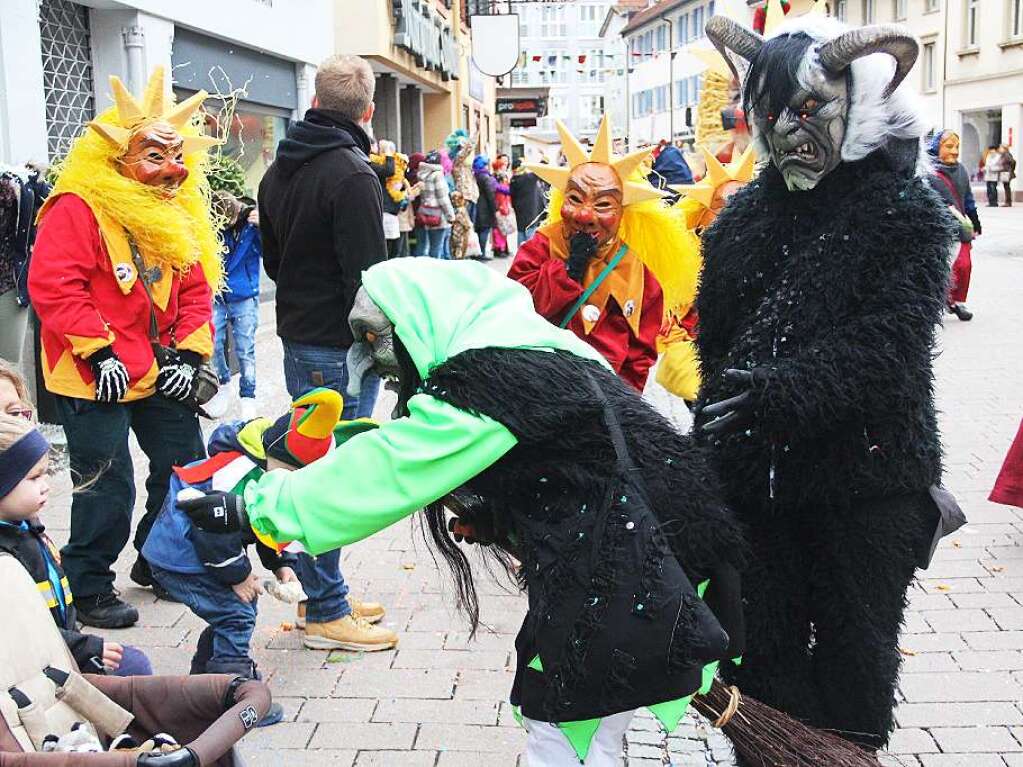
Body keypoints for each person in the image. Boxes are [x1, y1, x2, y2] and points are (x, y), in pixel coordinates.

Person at [177, 257, 745, 767]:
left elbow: (393, 465)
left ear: (419, 320)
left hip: (629, 561)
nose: (371, 361)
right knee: (588, 721)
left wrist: (258, 507)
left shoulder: (491, 378)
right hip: (643, 547)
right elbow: (564, 462)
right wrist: (498, 517)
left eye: (374, 338)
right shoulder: (539, 353)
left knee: (563, 723)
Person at [701, 15, 958, 757]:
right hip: (756, 489)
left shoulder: (905, 214)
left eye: (808, 109)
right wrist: (699, 467)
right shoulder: (741, 219)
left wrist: (785, 388)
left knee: (857, 653)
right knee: (761, 652)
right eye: (770, 111)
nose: (786, 131)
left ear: (858, 106)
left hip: (868, 485)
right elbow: (716, 355)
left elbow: (892, 346)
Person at [28, 67, 220, 628]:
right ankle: (87, 586)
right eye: (155, 156)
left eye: (176, 156)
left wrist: (187, 357)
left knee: (186, 466)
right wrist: (97, 350)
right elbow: (54, 286)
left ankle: (158, 559)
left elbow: (194, 290)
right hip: (95, 372)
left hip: (158, 368)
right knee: (106, 483)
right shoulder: (76, 208)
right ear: (117, 158)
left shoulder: (175, 212)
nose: (172, 169)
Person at [257, 53, 392, 648]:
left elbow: (272, 261)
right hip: (342, 343)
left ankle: (323, 589)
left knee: (310, 462)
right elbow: (368, 281)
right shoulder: (352, 174)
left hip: (300, 333)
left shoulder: (278, 168)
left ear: (314, 102)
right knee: (331, 476)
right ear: (366, 110)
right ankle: (326, 612)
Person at [508, 116, 671, 393]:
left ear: (622, 211)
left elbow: (640, 354)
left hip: (604, 401)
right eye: (575, 199)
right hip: (541, 391)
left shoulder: (636, 272)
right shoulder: (541, 248)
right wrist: (568, 271)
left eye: (603, 204)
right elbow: (514, 310)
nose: (585, 215)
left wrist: (623, 404)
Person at [0, 413, 153, 677]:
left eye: (45, 475)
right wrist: (84, 648)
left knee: (135, 666)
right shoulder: (6, 557)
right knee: (134, 670)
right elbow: (22, 632)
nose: (46, 486)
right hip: (38, 671)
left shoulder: (27, 529)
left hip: (61, 653)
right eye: (33, 478)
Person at [656, 146, 756, 405]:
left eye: (746, 205)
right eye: (725, 207)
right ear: (703, 216)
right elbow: (671, 327)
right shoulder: (685, 264)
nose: (736, 216)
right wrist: (701, 384)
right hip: (704, 377)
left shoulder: (767, 254)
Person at [204, 192, 262, 421]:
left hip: (245, 296)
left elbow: (270, 250)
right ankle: (224, 384)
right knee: (213, 344)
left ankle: (248, 396)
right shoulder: (213, 227)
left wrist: (263, 227)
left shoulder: (251, 226)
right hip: (218, 296)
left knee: (245, 349)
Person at [926, 129, 981, 321]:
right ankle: (938, 301)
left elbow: (967, 198)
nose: (955, 151)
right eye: (949, 146)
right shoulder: (929, 174)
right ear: (936, 149)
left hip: (961, 228)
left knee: (964, 266)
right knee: (940, 268)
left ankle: (957, 302)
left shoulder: (962, 170)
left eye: (957, 146)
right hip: (939, 229)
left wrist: (975, 221)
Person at [415, 150, 455, 259]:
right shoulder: (437, 175)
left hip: (424, 213)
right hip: (437, 216)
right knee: (436, 249)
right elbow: (443, 198)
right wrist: (451, 215)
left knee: (423, 247)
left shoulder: (421, 173)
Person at [509, 159, 546, 245]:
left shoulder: (513, 180)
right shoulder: (529, 178)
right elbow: (540, 169)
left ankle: (520, 253)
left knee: (521, 232)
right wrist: (542, 160)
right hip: (531, 212)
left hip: (519, 211)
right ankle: (528, 255)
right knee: (530, 233)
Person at [473, 155, 501, 260]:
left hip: (476, 206)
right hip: (485, 208)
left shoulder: (474, 175)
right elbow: (490, 194)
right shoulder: (485, 177)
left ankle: (477, 253)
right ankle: (481, 253)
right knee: (484, 230)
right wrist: (495, 208)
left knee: (479, 230)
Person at [491, 155, 515, 257]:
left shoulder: (500, 176)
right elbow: (502, 192)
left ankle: (503, 247)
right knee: (499, 228)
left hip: (503, 204)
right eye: (503, 164)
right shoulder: (498, 177)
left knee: (502, 227)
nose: (506, 165)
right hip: (500, 204)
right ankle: (499, 248)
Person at [448, 190, 476, 261]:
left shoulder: (453, 210)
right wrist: (469, 226)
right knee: (460, 248)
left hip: (454, 231)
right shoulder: (461, 210)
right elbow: (466, 223)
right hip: (461, 232)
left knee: (454, 247)